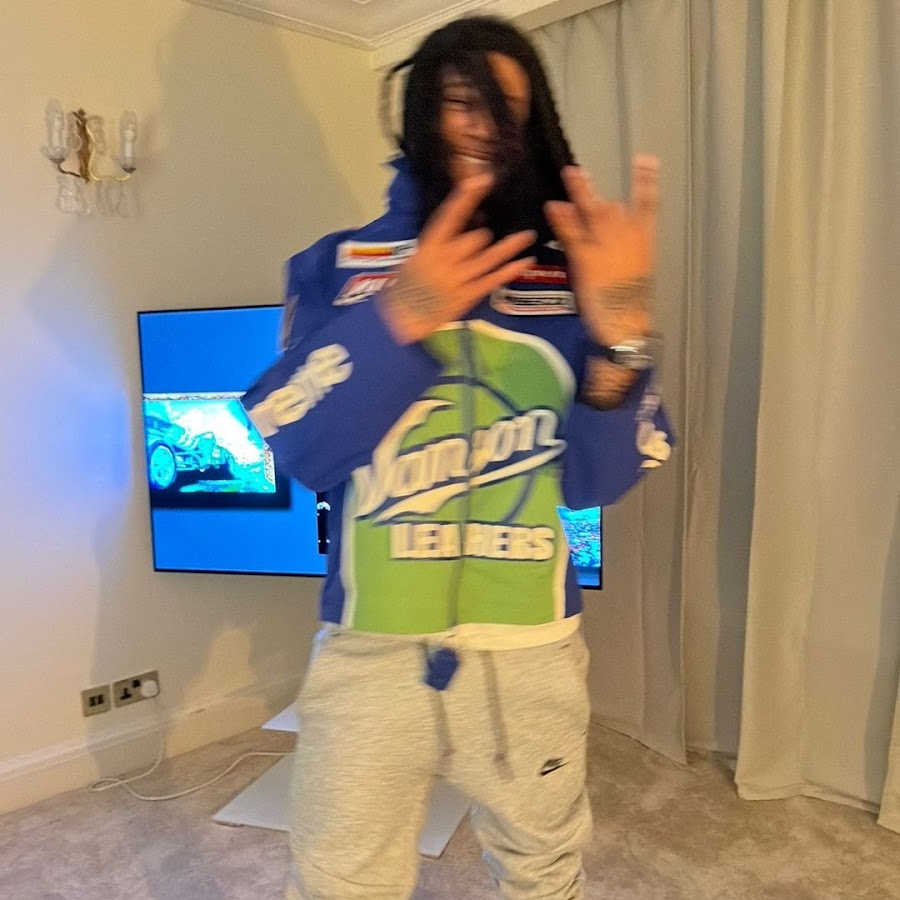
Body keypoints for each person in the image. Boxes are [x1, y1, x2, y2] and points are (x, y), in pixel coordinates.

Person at [242, 15, 672, 900]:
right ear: (418, 112)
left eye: (508, 108)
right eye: (458, 100)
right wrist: (402, 315)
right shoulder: (336, 266)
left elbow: (594, 481)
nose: (483, 125)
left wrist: (623, 336)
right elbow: (301, 448)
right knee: (337, 881)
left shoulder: (577, 273)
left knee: (543, 873)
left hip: (532, 656)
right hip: (370, 652)